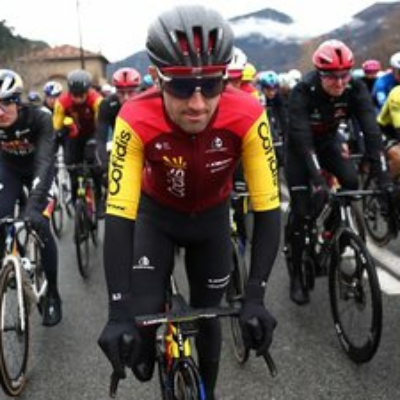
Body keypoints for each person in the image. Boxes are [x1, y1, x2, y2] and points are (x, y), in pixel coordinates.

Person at [97, 5, 280, 400]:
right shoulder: (134, 116)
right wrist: (118, 311)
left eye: (211, 85)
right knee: (140, 350)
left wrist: (256, 296)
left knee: (207, 316)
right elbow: (118, 214)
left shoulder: (249, 114)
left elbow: (267, 207)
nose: (197, 103)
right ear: (156, 76)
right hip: (155, 219)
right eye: (181, 87)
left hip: (211, 221)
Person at [285, 39, 393, 305]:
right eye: (333, 77)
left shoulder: (355, 88)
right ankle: (296, 274)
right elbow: (303, 142)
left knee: (351, 181)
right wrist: (318, 180)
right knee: (302, 210)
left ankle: (333, 232)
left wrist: (383, 179)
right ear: (320, 74)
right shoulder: (302, 91)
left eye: (345, 75)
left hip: (328, 143)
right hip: (300, 149)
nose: (340, 82)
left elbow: (371, 132)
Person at [0, 69, 62, 326]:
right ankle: (11, 260)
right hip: (9, 171)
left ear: (18, 101)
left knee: (40, 224)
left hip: (40, 169)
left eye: (5, 103)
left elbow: (45, 162)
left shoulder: (40, 118)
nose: (0, 111)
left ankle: (53, 294)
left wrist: (34, 206)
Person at [53, 69, 104, 210]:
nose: (78, 99)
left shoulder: (96, 100)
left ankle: (99, 198)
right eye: (74, 95)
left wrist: (99, 143)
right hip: (73, 136)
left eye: (81, 95)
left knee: (95, 165)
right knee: (71, 166)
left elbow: (101, 126)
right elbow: (56, 128)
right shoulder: (62, 102)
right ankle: (76, 200)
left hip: (92, 133)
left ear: (88, 91)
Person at [96, 67, 142, 173]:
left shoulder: (146, 103)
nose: (126, 98)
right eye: (121, 93)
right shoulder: (107, 104)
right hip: (121, 146)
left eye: (131, 92)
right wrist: (105, 163)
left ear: (138, 91)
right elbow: (101, 138)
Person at [377, 85, 400, 179]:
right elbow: (398, 127)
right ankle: (388, 182)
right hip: (385, 131)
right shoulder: (397, 93)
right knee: (398, 156)